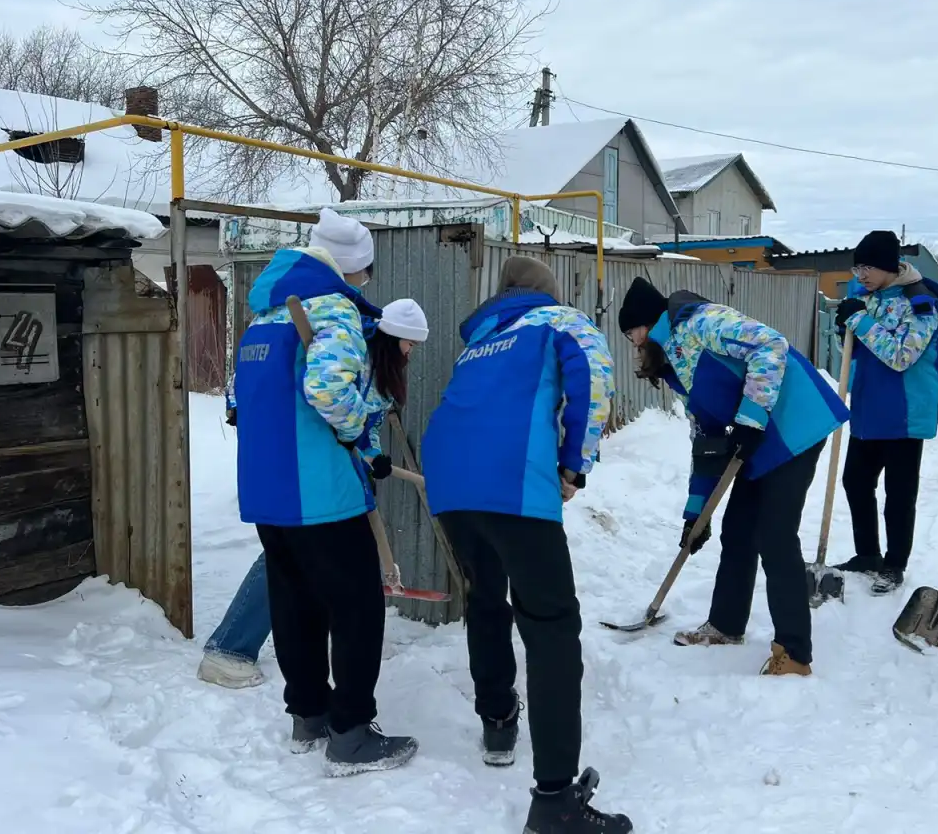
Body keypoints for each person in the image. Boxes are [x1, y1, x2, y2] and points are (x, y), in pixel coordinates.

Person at [421, 255, 629, 834]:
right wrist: (573, 467)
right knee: (552, 625)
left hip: (451, 484)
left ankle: (498, 720)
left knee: (487, 598)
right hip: (510, 479)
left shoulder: (481, 339)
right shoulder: (559, 320)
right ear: (549, 291)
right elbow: (596, 379)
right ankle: (557, 800)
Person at [232, 208, 419, 775]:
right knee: (357, 605)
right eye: (362, 274)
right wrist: (356, 426)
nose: (362, 284)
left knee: (296, 600)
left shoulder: (263, 317)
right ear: (351, 268)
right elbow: (328, 391)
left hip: (267, 488)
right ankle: (352, 733)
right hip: (318, 489)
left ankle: (308, 713)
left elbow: (234, 403)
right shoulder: (330, 307)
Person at [617, 277, 849, 677]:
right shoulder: (678, 359)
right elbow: (705, 440)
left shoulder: (700, 323)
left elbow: (770, 345)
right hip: (758, 438)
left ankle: (793, 652)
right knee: (739, 530)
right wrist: (697, 512)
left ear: (646, 323)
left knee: (774, 535)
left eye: (631, 333)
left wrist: (751, 418)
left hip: (794, 429)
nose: (633, 344)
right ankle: (726, 625)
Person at [197, 297, 430, 690]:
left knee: (315, 553)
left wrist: (374, 456)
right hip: (297, 456)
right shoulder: (345, 340)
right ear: (394, 338)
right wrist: (240, 410)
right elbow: (286, 386)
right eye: (410, 344)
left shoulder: (383, 371)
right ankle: (228, 649)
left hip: (330, 463)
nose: (411, 353)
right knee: (291, 549)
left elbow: (364, 423)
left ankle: (344, 641)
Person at [829, 230, 938, 594]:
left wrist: (860, 322)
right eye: (855, 267)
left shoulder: (922, 300)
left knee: (899, 494)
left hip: (905, 412)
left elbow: (901, 356)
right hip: (869, 407)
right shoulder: (867, 296)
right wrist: (843, 329)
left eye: (866, 267)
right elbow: (858, 350)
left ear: (889, 266)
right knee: (856, 482)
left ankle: (894, 564)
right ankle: (867, 555)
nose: (859, 274)